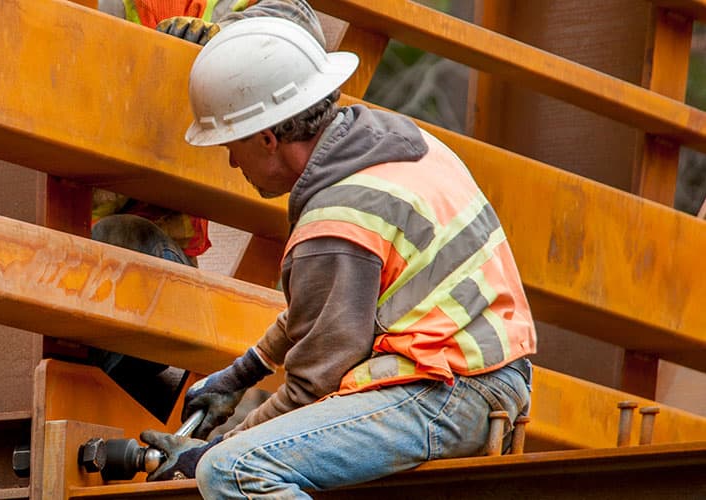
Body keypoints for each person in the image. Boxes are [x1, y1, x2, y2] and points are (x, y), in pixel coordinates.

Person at [135, 15, 539, 499]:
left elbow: (312, 386)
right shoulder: (397, 144)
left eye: (232, 145)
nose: (231, 163)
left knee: (232, 472)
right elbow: (325, 308)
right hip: (477, 382)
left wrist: (213, 451)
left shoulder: (337, 218)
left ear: (267, 138)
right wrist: (242, 374)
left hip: (445, 395)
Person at [85, 0, 329, 427]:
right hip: (83, 216)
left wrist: (226, 40)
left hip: (152, 240)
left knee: (140, 260)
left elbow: (298, 28)